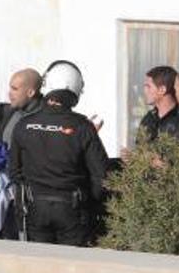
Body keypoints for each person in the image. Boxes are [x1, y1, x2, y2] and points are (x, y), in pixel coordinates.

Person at [9, 60, 108, 246]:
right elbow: (101, 174)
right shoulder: (83, 127)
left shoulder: (23, 125)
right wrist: (88, 204)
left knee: (38, 267)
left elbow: (14, 171)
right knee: (71, 270)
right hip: (72, 210)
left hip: (34, 208)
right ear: (75, 90)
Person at [0, 68, 44, 239]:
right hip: (2, 195)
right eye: (10, 88)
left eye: (15, 89)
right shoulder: (7, 112)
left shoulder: (44, 118)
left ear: (31, 92)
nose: (10, 94)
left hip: (28, 199)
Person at [137, 66, 179, 143]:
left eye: (148, 86)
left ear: (162, 90)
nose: (145, 91)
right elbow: (140, 148)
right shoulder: (148, 119)